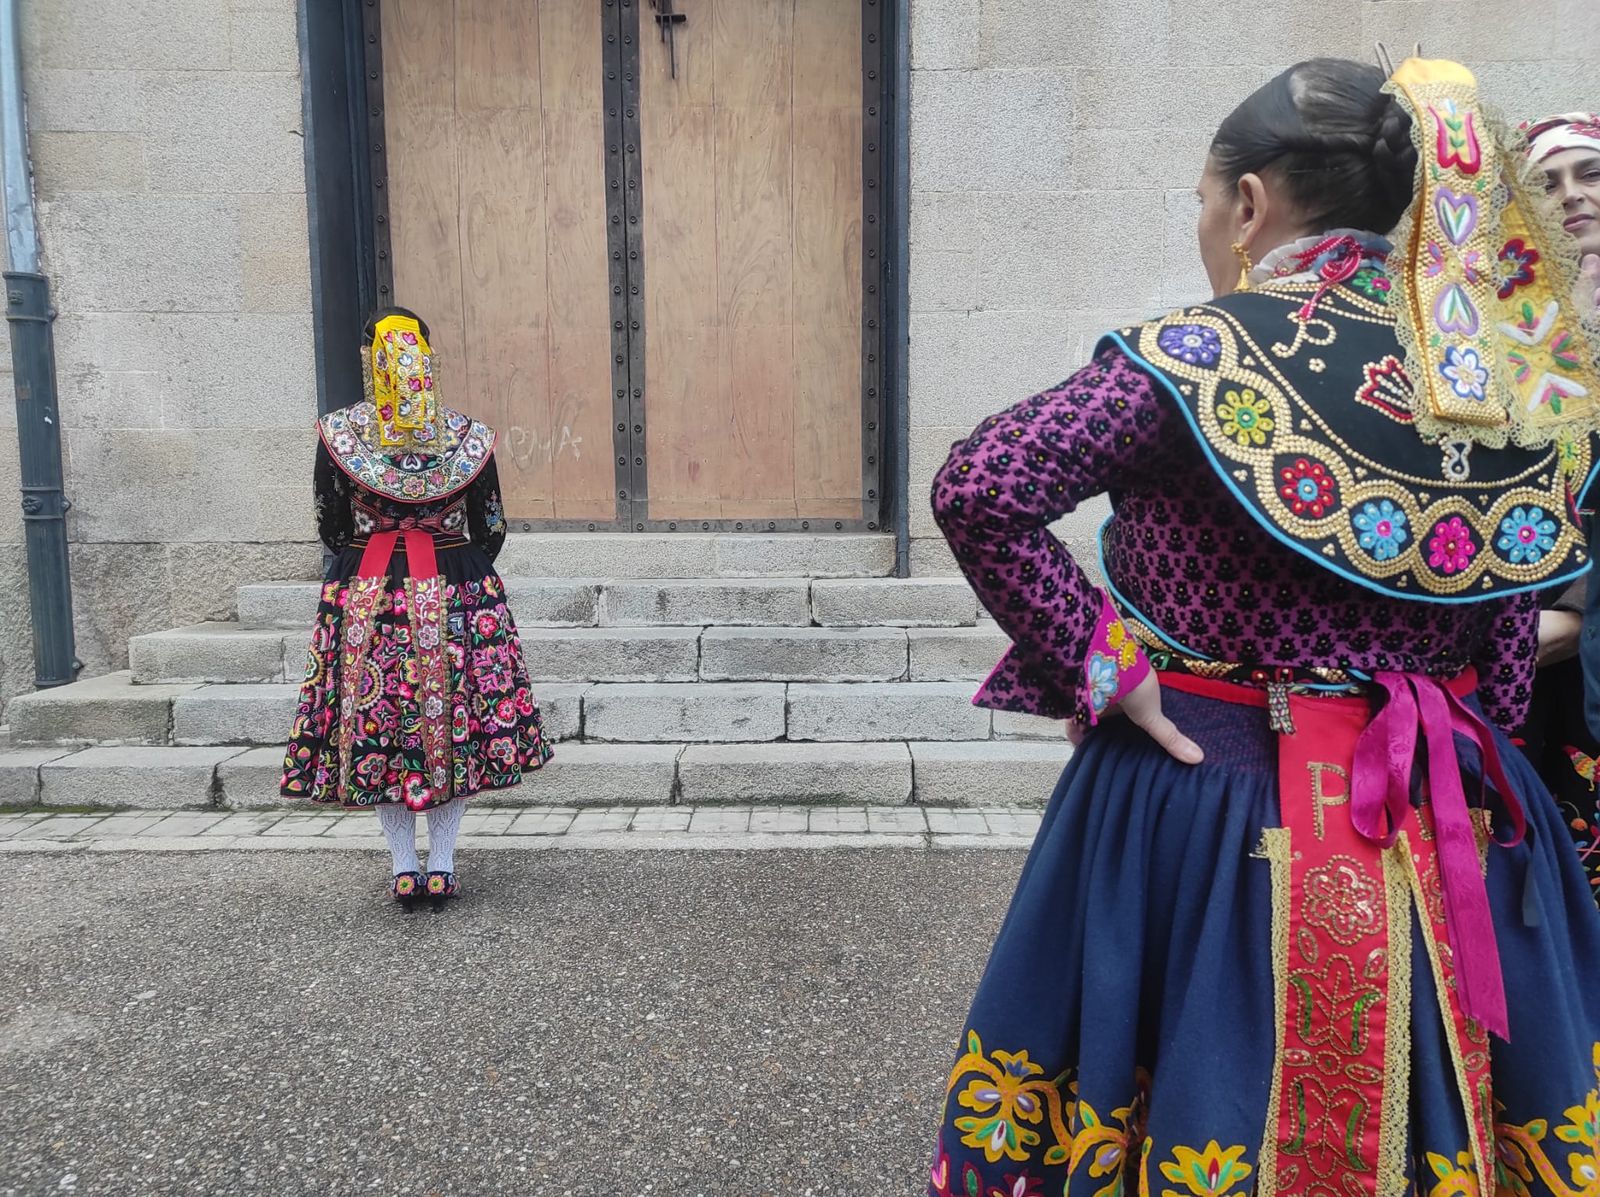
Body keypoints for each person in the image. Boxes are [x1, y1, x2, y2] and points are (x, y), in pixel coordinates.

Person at [925, 59, 1600, 1197]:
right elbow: (1508, 608)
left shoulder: (1196, 359)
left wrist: (1107, 663)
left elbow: (978, 484)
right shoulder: (1502, 377)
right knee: (1461, 1085)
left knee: (1202, 1069)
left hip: (1208, 787)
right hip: (1446, 798)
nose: (1203, 222)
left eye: (1202, 198)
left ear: (1248, 205)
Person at [279, 308, 552, 909]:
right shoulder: (467, 437)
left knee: (379, 721)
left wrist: (372, 548)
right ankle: (444, 862)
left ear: (367, 360)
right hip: (456, 586)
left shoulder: (339, 435)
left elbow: (329, 522)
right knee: (451, 719)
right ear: (425, 357)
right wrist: (451, 551)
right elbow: (492, 526)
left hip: (368, 590)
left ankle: (406, 865)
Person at [1518, 112, 1600, 900]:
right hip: (1522, 641)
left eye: (1589, 173)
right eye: (1548, 182)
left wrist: (1579, 609)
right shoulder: (1512, 327)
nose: (1571, 195)